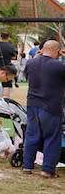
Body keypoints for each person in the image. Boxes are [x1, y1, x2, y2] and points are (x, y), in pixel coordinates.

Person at [22, 40, 65, 177]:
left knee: (31, 135)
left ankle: (27, 166)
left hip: (33, 103)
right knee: (52, 137)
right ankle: (47, 169)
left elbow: (26, 75)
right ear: (57, 51)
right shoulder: (59, 66)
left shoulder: (31, 63)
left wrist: (36, 58)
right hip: (51, 105)